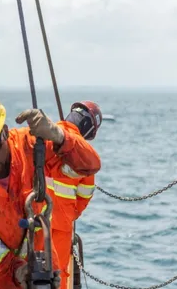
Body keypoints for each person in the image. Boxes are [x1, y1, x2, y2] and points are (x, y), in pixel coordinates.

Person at [0, 87, 101, 289]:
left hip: (46, 276)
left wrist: (59, 136)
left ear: (4, 131)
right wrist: (18, 272)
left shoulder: (31, 145)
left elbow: (90, 165)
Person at [46, 101, 102, 289]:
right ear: (89, 129)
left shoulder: (43, 136)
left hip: (34, 218)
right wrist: (69, 213)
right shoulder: (86, 157)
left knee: (27, 267)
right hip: (62, 225)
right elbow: (85, 195)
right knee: (57, 275)